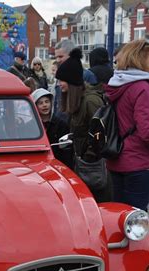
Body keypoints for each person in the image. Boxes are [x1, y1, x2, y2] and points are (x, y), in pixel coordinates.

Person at [104, 39, 149, 211]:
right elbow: (147, 129)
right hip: (140, 161)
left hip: (117, 157)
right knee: (136, 219)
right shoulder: (142, 87)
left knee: (119, 215)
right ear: (140, 59)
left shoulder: (119, 84)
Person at [56, 48, 111, 202]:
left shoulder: (90, 101)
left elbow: (101, 132)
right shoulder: (76, 101)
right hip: (83, 164)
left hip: (94, 167)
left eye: (62, 80)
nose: (59, 84)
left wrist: (89, 155)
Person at [32, 88, 72, 169]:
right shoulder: (31, 125)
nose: (44, 105)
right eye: (40, 103)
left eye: (47, 102)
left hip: (58, 166)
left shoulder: (61, 124)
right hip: (38, 166)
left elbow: (67, 151)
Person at [53, 39, 75, 115]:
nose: (57, 60)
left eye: (60, 56)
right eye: (56, 57)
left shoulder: (86, 76)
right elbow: (57, 105)